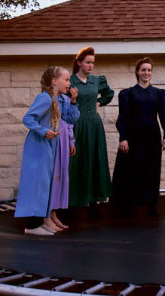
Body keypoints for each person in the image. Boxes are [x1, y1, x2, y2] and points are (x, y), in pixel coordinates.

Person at [14, 66, 79, 235]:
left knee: (45, 184)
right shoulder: (45, 98)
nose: (69, 83)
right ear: (54, 81)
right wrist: (43, 131)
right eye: (66, 80)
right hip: (38, 145)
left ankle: (41, 223)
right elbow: (28, 118)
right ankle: (32, 226)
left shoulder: (59, 100)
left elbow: (69, 119)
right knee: (37, 182)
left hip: (50, 146)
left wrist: (73, 102)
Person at [111, 57, 165, 216]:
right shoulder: (127, 94)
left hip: (152, 135)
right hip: (133, 135)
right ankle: (129, 205)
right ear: (137, 71)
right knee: (132, 168)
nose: (146, 73)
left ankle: (150, 203)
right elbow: (123, 117)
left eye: (149, 70)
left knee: (151, 168)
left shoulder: (159, 94)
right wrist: (122, 137)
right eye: (143, 70)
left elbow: (164, 115)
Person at [68, 46, 115, 210]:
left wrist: (99, 102)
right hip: (77, 124)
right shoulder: (70, 81)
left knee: (95, 159)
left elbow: (109, 94)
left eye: (93, 63)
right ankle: (74, 199)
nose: (91, 66)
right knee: (77, 161)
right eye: (88, 62)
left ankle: (94, 197)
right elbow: (63, 105)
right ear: (79, 62)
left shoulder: (97, 80)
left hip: (94, 124)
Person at [47, 113, 76, 230]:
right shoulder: (47, 98)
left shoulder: (65, 100)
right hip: (53, 137)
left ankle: (53, 214)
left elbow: (69, 121)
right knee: (52, 177)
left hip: (63, 138)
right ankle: (46, 216)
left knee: (61, 177)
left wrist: (71, 141)